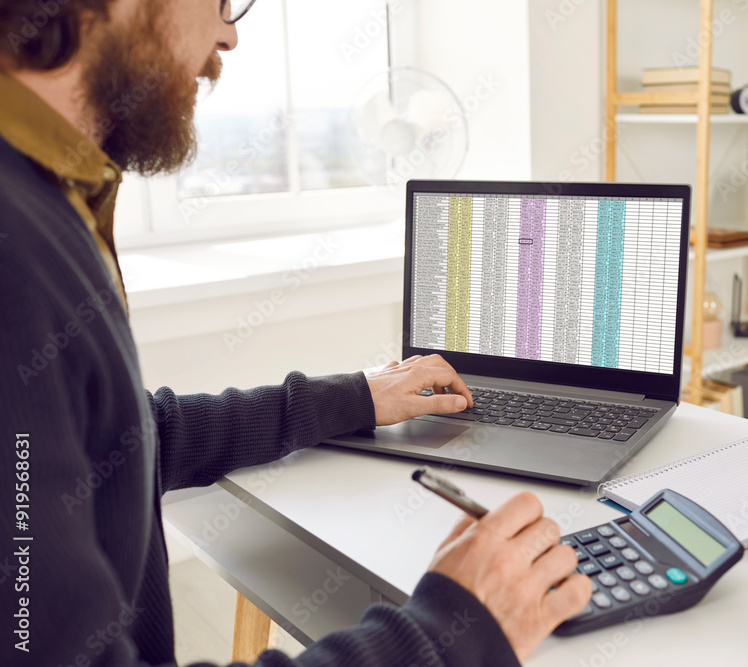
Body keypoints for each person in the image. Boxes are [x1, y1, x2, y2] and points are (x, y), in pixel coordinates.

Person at [0, 1, 591, 665]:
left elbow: (130, 437)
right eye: (221, 3)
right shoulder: (16, 247)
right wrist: (451, 628)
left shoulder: (44, 198)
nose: (229, 33)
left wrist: (357, 397)